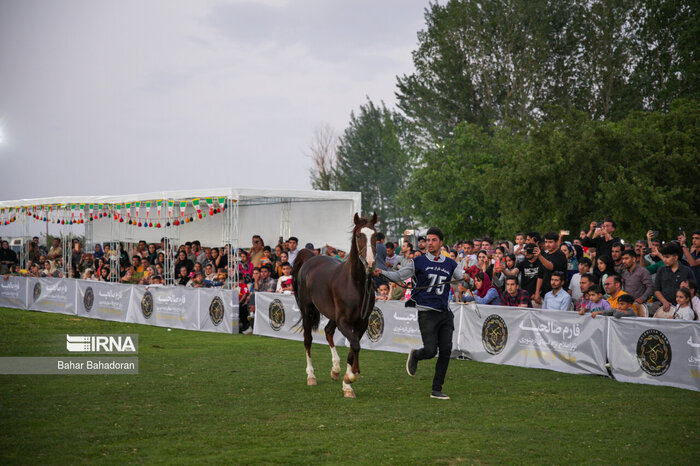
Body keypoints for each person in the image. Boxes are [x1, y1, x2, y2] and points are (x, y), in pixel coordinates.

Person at [375, 227, 465, 400]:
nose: (429, 243)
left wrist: (467, 281)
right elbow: (399, 276)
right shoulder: (419, 262)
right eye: (428, 240)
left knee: (446, 350)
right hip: (427, 313)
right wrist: (382, 273)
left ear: (440, 242)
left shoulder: (450, 263)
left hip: (445, 313)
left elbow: (463, 280)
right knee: (431, 351)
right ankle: (416, 354)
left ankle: (436, 389)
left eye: (433, 240)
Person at [654, 243, 694, 316]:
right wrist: (664, 302)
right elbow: (657, 290)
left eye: (667, 257)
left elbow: (694, 290)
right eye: (663, 257)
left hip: (683, 310)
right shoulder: (661, 270)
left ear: (675, 258)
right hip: (665, 308)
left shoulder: (687, 271)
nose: (664, 260)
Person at [533, 231, 567, 305]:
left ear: (557, 242)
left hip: (558, 294)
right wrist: (537, 292)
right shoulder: (545, 255)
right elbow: (540, 276)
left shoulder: (560, 255)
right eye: (546, 242)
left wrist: (539, 256)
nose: (547, 244)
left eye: (550, 242)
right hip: (544, 293)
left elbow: (551, 267)